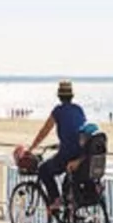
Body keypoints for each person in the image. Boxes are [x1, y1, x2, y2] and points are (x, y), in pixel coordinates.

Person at [24, 80, 86, 214]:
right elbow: (78, 131)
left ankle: (55, 201)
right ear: (71, 96)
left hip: (67, 154)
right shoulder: (79, 109)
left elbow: (44, 131)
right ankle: (70, 219)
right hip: (81, 154)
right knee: (67, 181)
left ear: (59, 96)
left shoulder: (58, 111)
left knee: (43, 170)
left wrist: (31, 148)